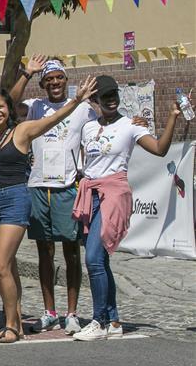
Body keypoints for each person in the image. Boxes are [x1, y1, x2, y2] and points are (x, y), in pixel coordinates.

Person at [0, 78, 97, 343]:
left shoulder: (21, 131)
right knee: (7, 267)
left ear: (9, 108)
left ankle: (11, 326)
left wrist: (76, 100)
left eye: (1, 106)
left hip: (16, 200)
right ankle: (16, 323)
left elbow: (52, 121)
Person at [71, 76, 183, 341]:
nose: (111, 100)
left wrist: (173, 117)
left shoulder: (130, 125)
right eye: (105, 96)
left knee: (93, 259)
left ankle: (98, 321)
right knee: (101, 259)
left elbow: (159, 149)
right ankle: (114, 320)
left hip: (114, 193)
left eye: (114, 95)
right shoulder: (87, 127)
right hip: (90, 194)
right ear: (95, 100)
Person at [9, 56, 95, 335]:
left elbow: (99, 132)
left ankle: (72, 312)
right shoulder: (35, 107)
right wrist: (26, 73)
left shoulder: (83, 109)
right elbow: (10, 104)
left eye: (59, 77)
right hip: (38, 186)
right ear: (43, 83)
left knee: (71, 251)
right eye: (49, 79)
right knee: (44, 252)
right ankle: (49, 311)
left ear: (66, 80)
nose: (55, 82)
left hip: (67, 186)